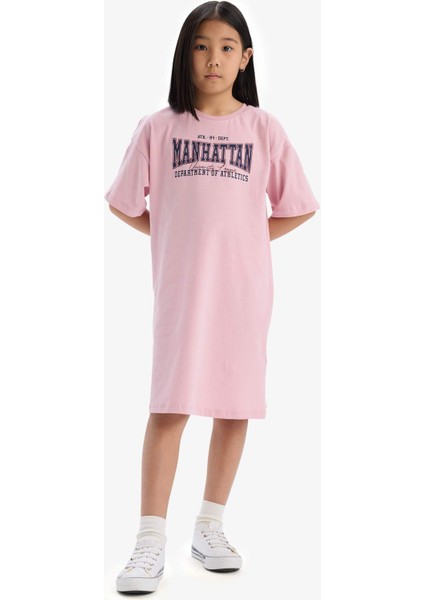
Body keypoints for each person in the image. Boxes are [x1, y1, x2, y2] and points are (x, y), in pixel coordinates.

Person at [105, 1, 320, 594]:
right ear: (185, 53)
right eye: (202, 46)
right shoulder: (159, 128)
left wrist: (245, 238)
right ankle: (149, 539)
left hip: (244, 292)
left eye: (227, 47)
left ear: (245, 58)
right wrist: (172, 233)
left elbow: (298, 205)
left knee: (233, 404)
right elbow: (124, 202)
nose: (214, 59)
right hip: (181, 295)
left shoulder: (263, 129)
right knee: (169, 406)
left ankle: (209, 527)